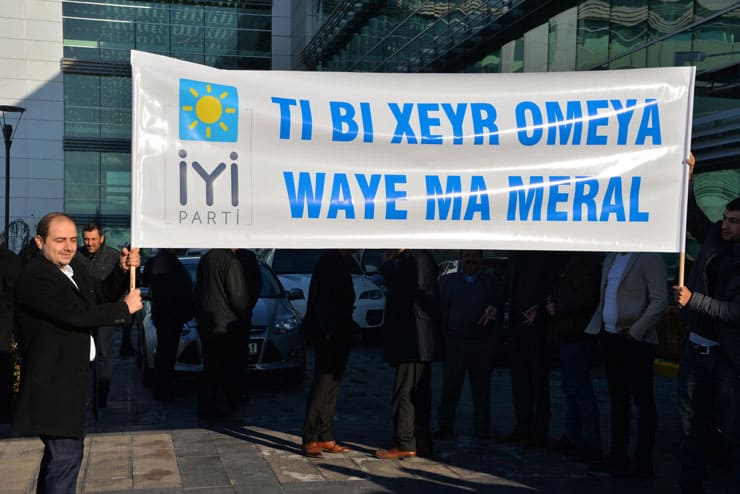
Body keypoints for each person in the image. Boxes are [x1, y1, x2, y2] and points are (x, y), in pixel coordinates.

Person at [12, 212, 141, 494]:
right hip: (55, 386)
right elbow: (75, 314)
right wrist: (124, 309)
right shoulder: (35, 277)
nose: (69, 247)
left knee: (64, 459)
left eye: (72, 240)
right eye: (60, 240)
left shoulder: (72, 270)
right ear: (40, 242)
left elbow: (99, 294)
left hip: (77, 381)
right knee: (65, 458)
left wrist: (122, 271)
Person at [675, 153, 740, 494]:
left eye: (734, 222)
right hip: (695, 348)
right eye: (726, 219)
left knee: (730, 431)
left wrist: (693, 300)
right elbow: (690, 216)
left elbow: (735, 312)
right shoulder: (715, 236)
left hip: (727, 359)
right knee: (690, 428)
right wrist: (689, 175)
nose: (726, 226)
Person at [585, 251, 668, 478]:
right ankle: (618, 455)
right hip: (610, 336)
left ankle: (643, 461)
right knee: (618, 399)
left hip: (635, 341)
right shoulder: (612, 256)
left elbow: (660, 300)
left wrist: (636, 331)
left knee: (642, 401)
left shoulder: (649, 257)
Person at [375, 249, 444, 459]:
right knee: (418, 392)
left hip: (413, 338)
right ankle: (420, 441)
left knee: (406, 392)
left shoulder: (416, 257)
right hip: (415, 337)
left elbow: (409, 291)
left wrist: (388, 268)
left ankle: (405, 442)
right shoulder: (415, 257)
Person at [435, 250, 502, 440]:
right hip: (455, 343)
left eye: (475, 256)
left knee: (481, 391)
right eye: (467, 256)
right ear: (460, 259)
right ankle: (445, 427)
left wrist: (494, 308)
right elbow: (440, 311)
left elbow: (499, 304)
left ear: (481, 259)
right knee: (450, 388)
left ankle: (482, 430)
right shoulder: (447, 282)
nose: (471, 260)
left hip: (481, 344)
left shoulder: (491, 283)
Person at [497, 251, 561, 448]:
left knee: (538, 381)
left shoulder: (545, 253)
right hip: (516, 323)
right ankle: (523, 427)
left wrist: (539, 307)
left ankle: (539, 433)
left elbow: (553, 284)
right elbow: (508, 284)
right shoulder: (516, 254)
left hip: (538, 326)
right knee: (519, 379)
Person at [546, 252, 603, 461]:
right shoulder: (572, 260)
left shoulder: (585, 261)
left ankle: (589, 442)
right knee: (571, 388)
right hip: (568, 333)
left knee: (580, 389)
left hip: (577, 333)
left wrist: (557, 306)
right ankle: (573, 436)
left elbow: (586, 296)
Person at [301, 249, 355, 457]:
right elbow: (322, 301)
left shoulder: (342, 261)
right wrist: (329, 332)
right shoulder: (328, 261)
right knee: (323, 385)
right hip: (328, 335)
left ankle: (325, 434)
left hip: (340, 333)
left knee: (333, 385)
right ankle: (310, 436)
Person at [194, 248, 255, 418]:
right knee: (229, 366)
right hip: (226, 324)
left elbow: (199, 291)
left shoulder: (206, 259)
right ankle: (225, 403)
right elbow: (239, 298)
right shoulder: (231, 262)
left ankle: (208, 404)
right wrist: (245, 314)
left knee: (211, 366)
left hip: (208, 322)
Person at [73, 223, 122, 408]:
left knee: (103, 353)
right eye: (86, 239)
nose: (90, 243)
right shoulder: (77, 256)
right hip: (83, 312)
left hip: (104, 313)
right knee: (82, 352)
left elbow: (119, 285)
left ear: (101, 238)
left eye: (93, 239)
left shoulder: (113, 256)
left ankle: (102, 395)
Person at [142, 249, 193, 400]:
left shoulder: (158, 262)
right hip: (170, 315)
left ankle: (163, 386)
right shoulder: (169, 263)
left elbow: (146, 283)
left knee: (164, 352)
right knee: (167, 352)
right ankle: (164, 386)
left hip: (164, 314)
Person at [0, 240, 22, 422]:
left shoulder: (9, 259)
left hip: (5, 321)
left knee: (4, 365)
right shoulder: (11, 259)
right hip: (6, 320)